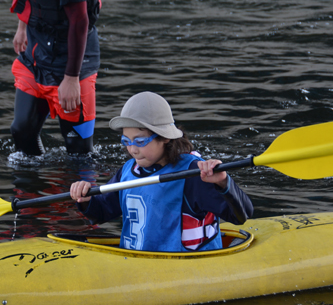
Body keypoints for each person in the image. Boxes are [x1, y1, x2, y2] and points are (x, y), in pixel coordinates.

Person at [70, 92, 254, 252]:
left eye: (140, 141)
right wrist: (86, 200)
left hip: (186, 264)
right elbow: (101, 213)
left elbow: (242, 215)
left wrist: (223, 182)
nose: (132, 149)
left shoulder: (192, 175)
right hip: (136, 260)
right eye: (126, 141)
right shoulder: (128, 170)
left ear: (165, 137)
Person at [9, 0, 101, 156]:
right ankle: (34, 182)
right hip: (36, 52)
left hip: (73, 63)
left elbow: (80, 21)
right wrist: (22, 27)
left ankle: (76, 181)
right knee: (22, 131)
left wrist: (72, 78)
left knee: (79, 151)